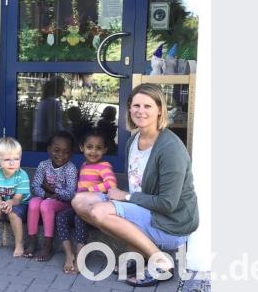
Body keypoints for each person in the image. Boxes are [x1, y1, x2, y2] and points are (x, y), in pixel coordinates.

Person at [72, 83, 199, 287]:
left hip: (170, 223)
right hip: (144, 208)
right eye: (136, 105)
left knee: (100, 212)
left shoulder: (170, 149)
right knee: (79, 201)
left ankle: (161, 261)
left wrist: (126, 197)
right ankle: (141, 254)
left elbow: (168, 204)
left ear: (160, 110)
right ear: (129, 109)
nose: (141, 111)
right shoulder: (133, 141)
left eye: (148, 106)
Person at [56, 129, 117, 274]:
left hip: (93, 209)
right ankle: (69, 254)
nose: (93, 151)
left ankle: (80, 256)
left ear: (105, 150)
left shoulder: (104, 166)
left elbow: (111, 184)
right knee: (61, 217)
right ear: (82, 147)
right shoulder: (84, 165)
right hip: (80, 206)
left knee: (79, 219)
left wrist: (90, 189)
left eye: (98, 148)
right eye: (89, 147)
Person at [23, 131, 77, 261]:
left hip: (63, 204)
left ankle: (48, 244)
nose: (61, 155)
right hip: (47, 197)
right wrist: (47, 193)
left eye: (66, 152)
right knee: (34, 203)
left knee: (46, 205)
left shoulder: (70, 169)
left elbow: (70, 193)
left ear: (71, 153)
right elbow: (35, 186)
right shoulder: (43, 165)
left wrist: (52, 190)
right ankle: (32, 241)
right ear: (49, 150)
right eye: (57, 150)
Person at [0, 137, 30, 257]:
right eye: (7, 159)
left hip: (20, 203)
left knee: (13, 214)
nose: (12, 163)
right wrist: (1, 204)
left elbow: (18, 198)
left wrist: (10, 203)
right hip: (1, 202)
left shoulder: (22, 175)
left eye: (16, 159)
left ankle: (19, 244)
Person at [33, 76, 65, 151]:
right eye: (63, 87)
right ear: (58, 88)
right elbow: (52, 128)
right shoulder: (52, 103)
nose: (64, 90)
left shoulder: (43, 102)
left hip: (39, 141)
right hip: (46, 143)